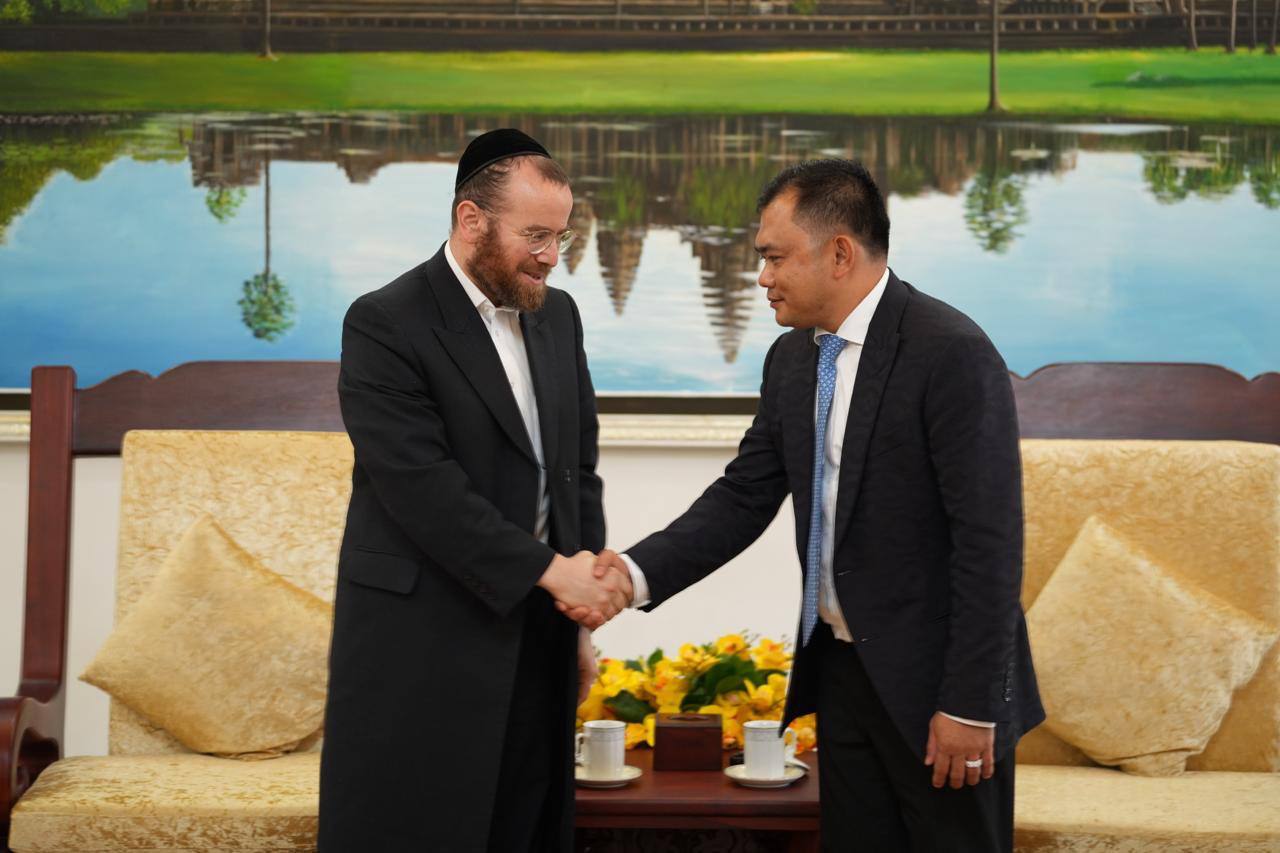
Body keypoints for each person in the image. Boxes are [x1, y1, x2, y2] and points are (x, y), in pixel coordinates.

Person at [588, 159, 1043, 852]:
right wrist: (629, 574)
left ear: (840, 254)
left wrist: (970, 704)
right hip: (842, 677)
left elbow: (990, 542)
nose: (761, 277)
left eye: (775, 257)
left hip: (940, 689)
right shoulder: (792, 360)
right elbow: (742, 498)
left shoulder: (951, 352)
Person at [319, 128, 632, 852]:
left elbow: (576, 472)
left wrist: (578, 621)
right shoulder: (384, 321)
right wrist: (554, 573)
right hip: (420, 648)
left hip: (538, 637)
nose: (552, 256)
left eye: (561, 236)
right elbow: (422, 488)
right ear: (471, 220)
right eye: (535, 236)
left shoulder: (559, 314)